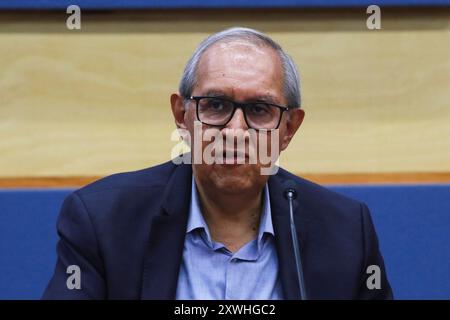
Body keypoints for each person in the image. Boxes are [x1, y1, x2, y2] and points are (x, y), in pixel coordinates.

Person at [43, 27, 393, 299]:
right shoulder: (104, 221)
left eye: (259, 110)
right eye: (216, 105)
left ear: (288, 129)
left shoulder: (345, 232)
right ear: (182, 116)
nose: (235, 131)